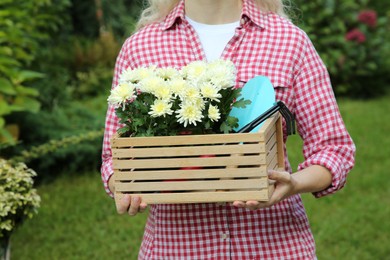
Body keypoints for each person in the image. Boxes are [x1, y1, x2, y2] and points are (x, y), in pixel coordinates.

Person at [101, 0, 356, 259]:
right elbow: (113, 157)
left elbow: (334, 149)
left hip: (274, 246)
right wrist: (124, 185)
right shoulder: (140, 48)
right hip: (178, 248)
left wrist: (293, 184)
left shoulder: (289, 41)